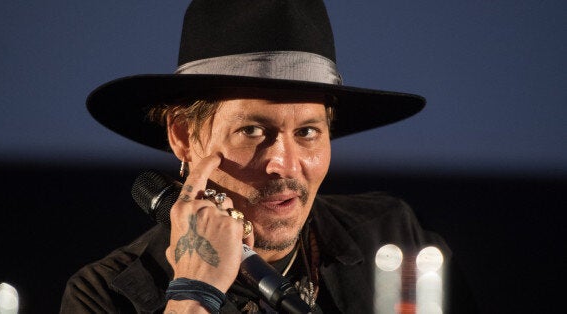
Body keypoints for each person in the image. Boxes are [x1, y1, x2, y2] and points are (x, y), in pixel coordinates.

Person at [61, 0, 474, 313]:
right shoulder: (106, 295)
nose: (285, 164)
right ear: (184, 135)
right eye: (253, 131)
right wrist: (193, 293)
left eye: (307, 132)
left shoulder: (393, 237)